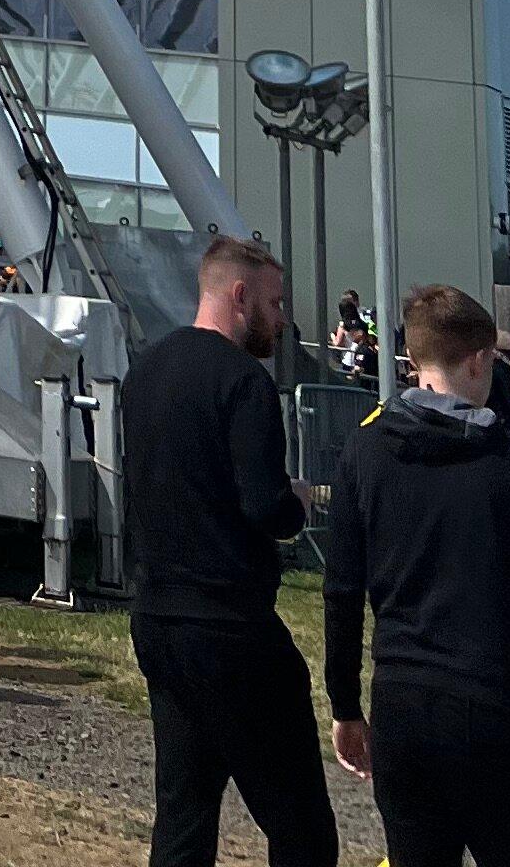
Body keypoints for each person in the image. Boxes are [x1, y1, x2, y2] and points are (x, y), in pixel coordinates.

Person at [322, 279, 510, 867]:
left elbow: (342, 592)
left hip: (401, 705)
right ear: (479, 359)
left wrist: (345, 706)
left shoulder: (364, 453)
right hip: (492, 707)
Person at [121, 230, 338, 867]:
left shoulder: (146, 371)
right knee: (300, 828)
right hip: (231, 628)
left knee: (184, 817)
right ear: (238, 296)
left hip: (159, 619)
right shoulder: (243, 383)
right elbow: (263, 507)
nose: (281, 318)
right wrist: (296, 500)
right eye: (274, 304)